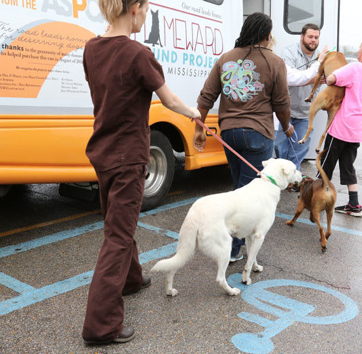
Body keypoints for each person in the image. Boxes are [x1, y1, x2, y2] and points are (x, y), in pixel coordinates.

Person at [81, 0, 200, 345]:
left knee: (118, 222)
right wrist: (194, 113)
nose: (146, 17)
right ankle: (101, 326)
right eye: (146, 10)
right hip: (129, 156)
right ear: (133, 9)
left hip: (102, 151)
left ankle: (132, 279)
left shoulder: (91, 49)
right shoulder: (138, 54)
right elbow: (170, 100)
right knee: (119, 235)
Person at [194, 13, 292, 262]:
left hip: (228, 134)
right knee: (247, 196)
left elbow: (206, 96)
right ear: (268, 35)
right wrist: (287, 126)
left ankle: (229, 242)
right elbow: (281, 104)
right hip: (258, 133)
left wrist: (199, 129)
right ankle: (234, 249)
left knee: (238, 187)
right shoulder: (275, 61)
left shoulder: (225, 58)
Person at [320, 37, 362, 217]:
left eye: (359, 48)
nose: (357, 51)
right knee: (348, 165)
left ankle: (316, 198)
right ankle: (354, 204)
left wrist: (327, 75)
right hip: (359, 128)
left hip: (343, 125)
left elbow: (332, 79)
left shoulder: (356, 68)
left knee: (326, 163)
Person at [276, 23, 325, 170]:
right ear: (302, 37)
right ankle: (280, 177)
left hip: (305, 113)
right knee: (280, 148)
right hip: (286, 110)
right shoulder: (288, 53)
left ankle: (293, 180)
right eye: (310, 37)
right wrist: (313, 78)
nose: (313, 40)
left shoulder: (321, 59)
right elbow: (292, 79)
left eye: (316, 37)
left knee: (299, 150)